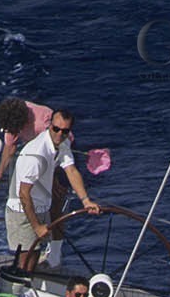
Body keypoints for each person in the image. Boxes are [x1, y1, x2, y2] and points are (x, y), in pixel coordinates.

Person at [6, 109, 100, 274]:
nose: (59, 134)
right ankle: (19, 294)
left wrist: (85, 200)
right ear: (49, 126)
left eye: (65, 131)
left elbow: (71, 170)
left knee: (33, 258)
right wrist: (36, 226)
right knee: (26, 261)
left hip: (42, 207)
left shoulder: (63, 143)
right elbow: (23, 194)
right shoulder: (36, 154)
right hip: (22, 210)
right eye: (56, 129)